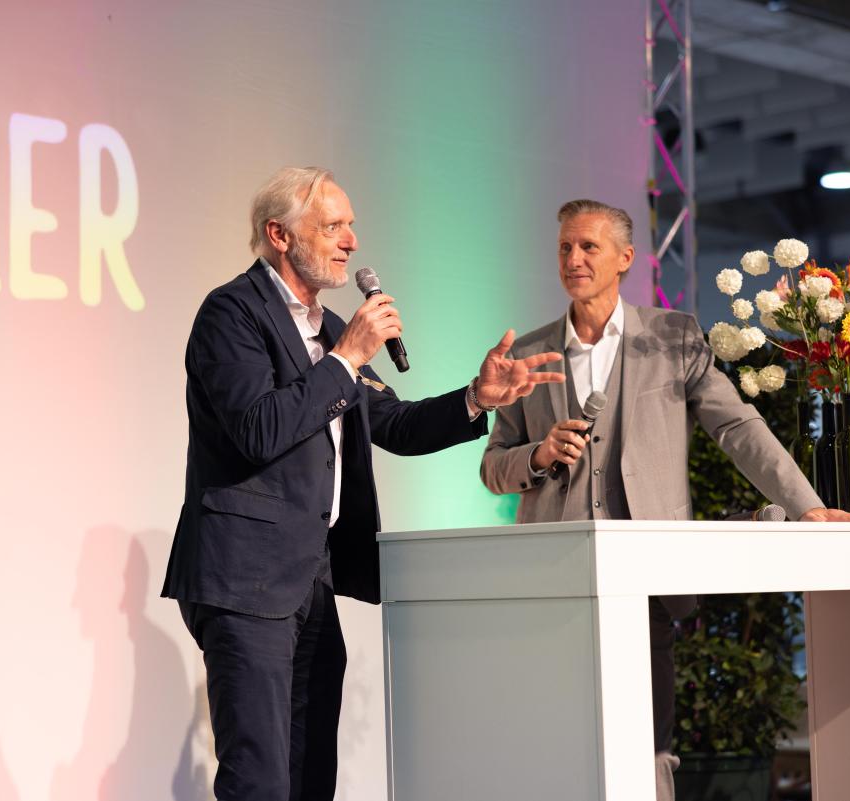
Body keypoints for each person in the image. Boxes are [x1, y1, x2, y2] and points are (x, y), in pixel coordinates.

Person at [161, 166, 563, 801]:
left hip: (310, 579)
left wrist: (476, 398)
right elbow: (257, 430)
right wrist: (346, 357)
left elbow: (394, 424)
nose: (351, 241)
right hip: (244, 580)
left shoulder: (326, 328)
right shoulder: (232, 313)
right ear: (279, 235)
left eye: (350, 226)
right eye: (333, 227)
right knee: (259, 779)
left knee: (311, 777)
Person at [480, 199, 850, 800]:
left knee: (649, 742)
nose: (573, 258)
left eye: (588, 246)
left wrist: (805, 506)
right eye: (565, 247)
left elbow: (736, 425)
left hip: (649, 575)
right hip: (554, 575)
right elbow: (493, 467)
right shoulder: (528, 353)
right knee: (557, 736)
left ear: (625, 259)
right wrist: (536, 456)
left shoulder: (672, 337)